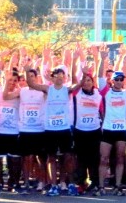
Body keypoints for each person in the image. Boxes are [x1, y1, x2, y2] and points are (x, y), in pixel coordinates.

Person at [24, 56, 82, 197]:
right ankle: (54, 186)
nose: (60, 78)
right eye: (57, 75)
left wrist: (85, 72)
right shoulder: (47, 89)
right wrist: (26, 71)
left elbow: (78, 84)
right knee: (51, 158)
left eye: (62, 75)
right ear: (53, 78)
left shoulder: (66, 90)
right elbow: (32, 85)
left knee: (68, 157)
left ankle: (71, 184)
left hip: (64, 129)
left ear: (64, 78)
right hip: (50, 130)